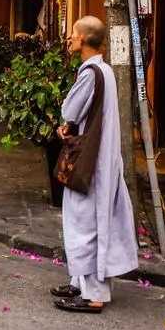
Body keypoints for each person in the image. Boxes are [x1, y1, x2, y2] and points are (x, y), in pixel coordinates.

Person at [52, 16, 139, 313]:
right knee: (88, 220)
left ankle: (94, 294)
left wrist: (66, 123)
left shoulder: (91, 73)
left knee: (84, 223)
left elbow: (71, 108)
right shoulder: (105, 71)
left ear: (84, 39)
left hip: (92, 163)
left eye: (74, 34)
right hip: (102, 158)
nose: (71, 38)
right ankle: (80, 282)